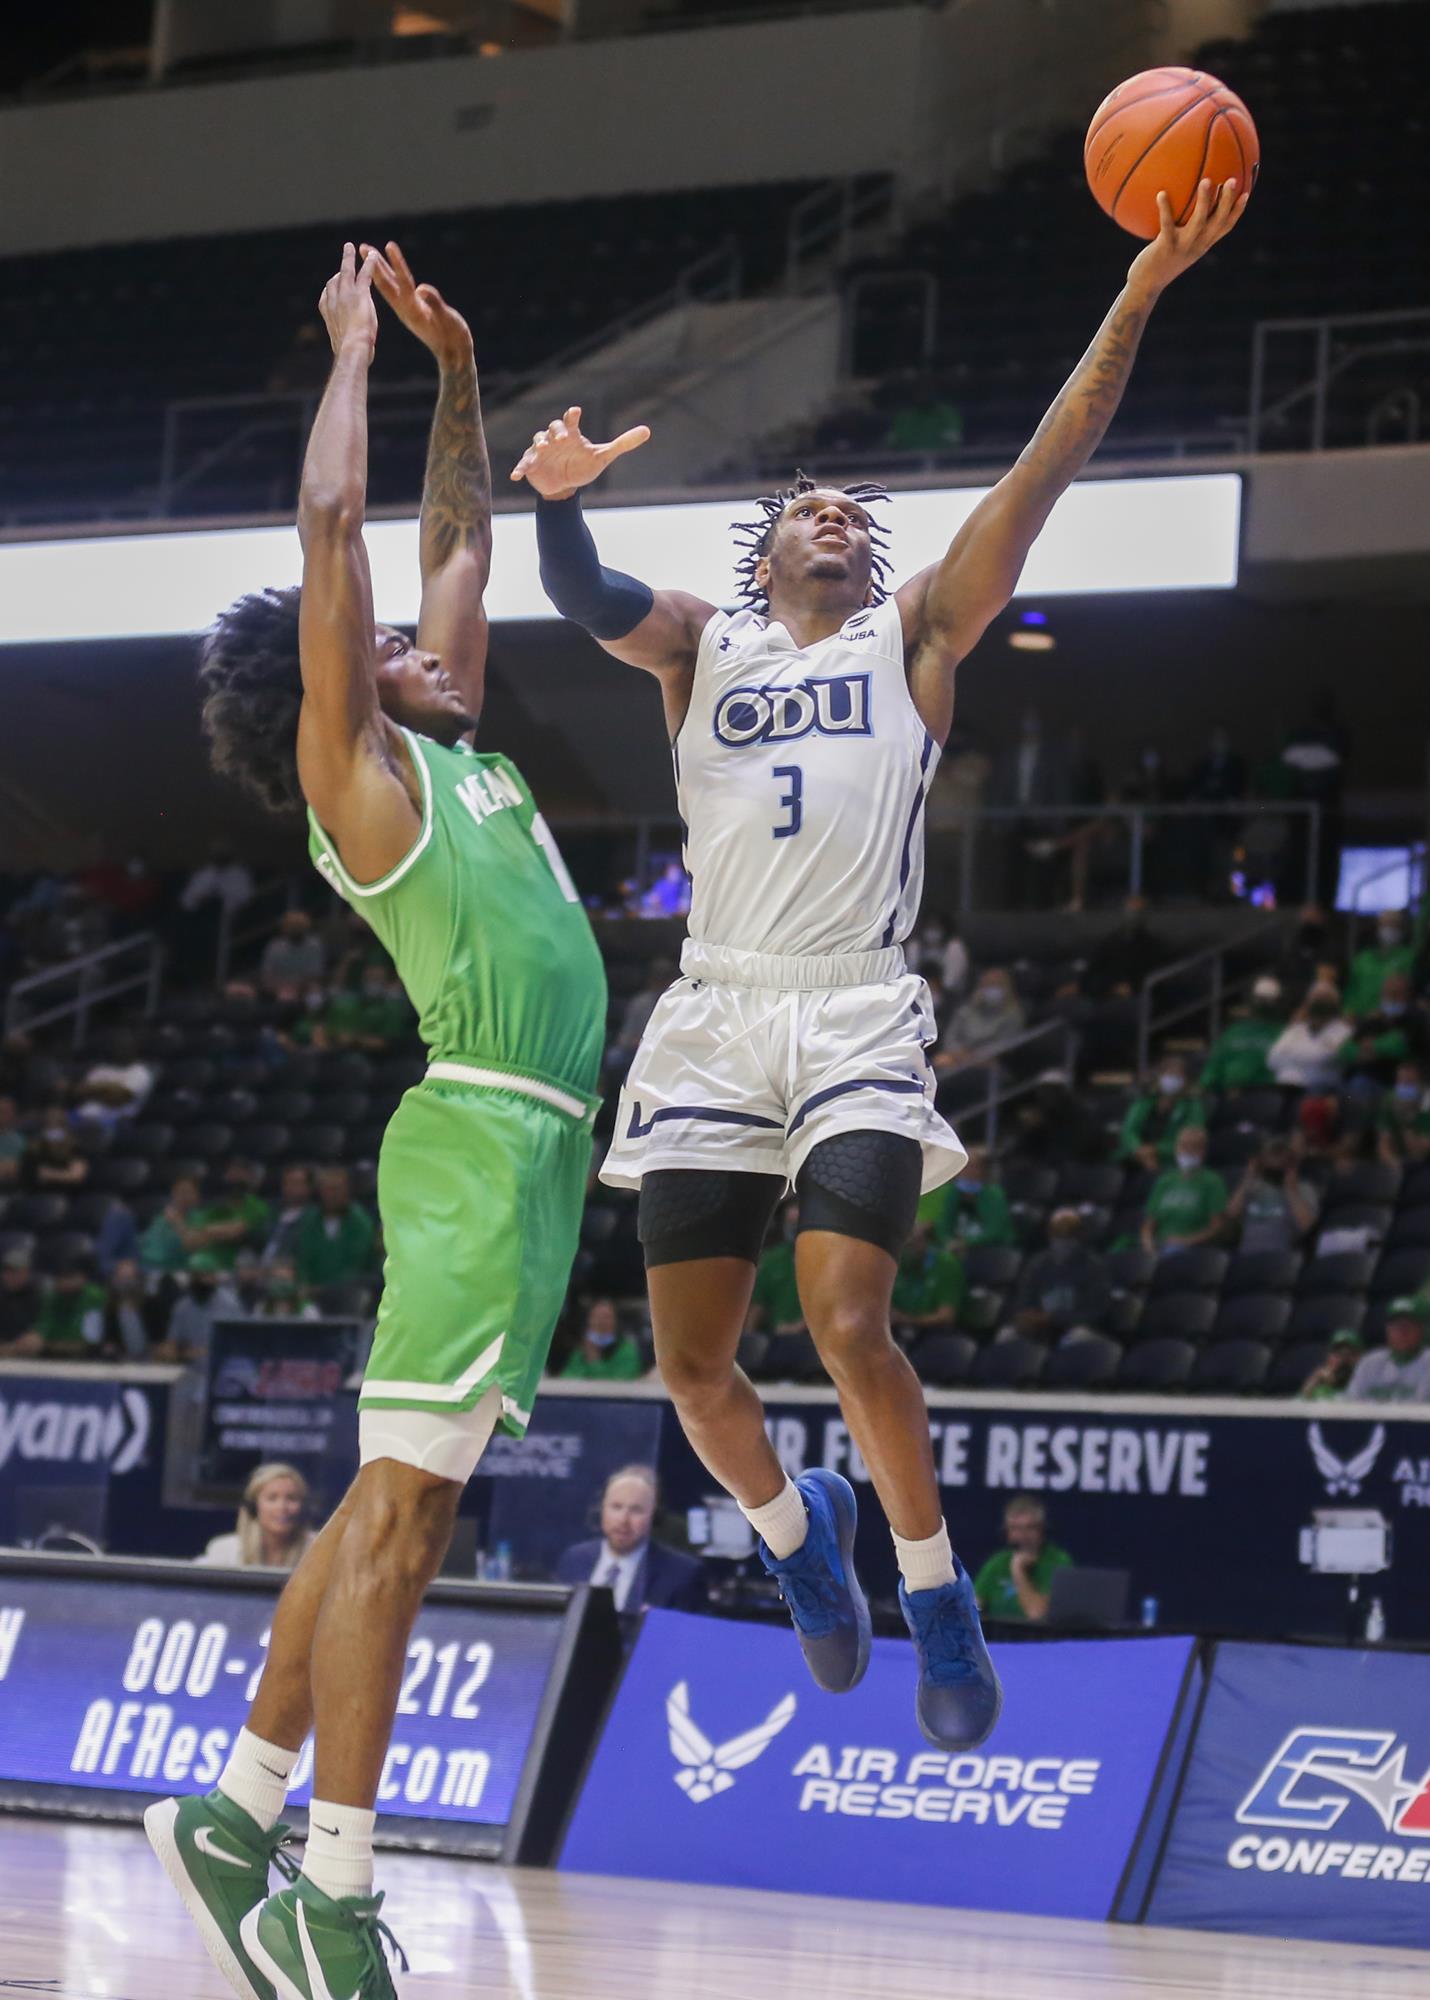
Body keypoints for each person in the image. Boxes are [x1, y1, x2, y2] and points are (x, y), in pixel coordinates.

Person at [515, 169, 1243, 1754]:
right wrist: (558, 499)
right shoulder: (698, 643)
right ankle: (800, 1549)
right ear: (764, 547)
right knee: (691, 1371)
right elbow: (575, 597)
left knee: (848, 1325)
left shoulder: (911, 638)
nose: (836, 523)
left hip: (851, 1004)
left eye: (856, 516)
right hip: (713, 1013)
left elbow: (1040, 477)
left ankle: (935, 1597)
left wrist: (1136, 293)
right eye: (809, 515)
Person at [145, 238, 607, 2000]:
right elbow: (340, 544)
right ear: (331, 705)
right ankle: (329, 1897)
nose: (426, 639)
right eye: (390, 650)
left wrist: (459, 373)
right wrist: (345, 350)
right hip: (482, 1145)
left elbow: (455, 543)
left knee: (367, 1512)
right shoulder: (370, 781)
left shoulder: (467, 742)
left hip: (543, 1153)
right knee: (409, 1531)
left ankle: (237, 1808)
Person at [554, 1464, 706, 1612]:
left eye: (636, 1510)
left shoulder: (681, 1573)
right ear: (601, 1509)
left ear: (655, 1516)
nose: (623, 1520)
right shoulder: (574, 1559)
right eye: (616, 1507)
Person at [1008, 1209, 1110, 1342]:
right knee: (1007, 1335)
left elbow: (1095, 1314)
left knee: (1077, 1337)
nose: (1062, 1242)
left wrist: (1053, 1318)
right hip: (1042, 1330)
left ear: (1079, 1236)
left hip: (1078, 1330)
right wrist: (1026, 1317)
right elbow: (1025, 1301)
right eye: (1057, 1235)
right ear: (1050, 1236)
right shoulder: (1037, 1264)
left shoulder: (1094, 1267)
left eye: (1068, 1236)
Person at [197, 1463, 319, 1571]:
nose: (282, 1507)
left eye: (291, 1498)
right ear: (253, 1508)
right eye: (272, 1498)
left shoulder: (318, 1550)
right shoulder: (224, 1550)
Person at [972, 1495, 1073, 1624]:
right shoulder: (997, 1563)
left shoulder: (1058, 1561)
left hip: (1039, 1639)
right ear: (1007, 1533)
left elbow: (1037, 1614)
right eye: (1015, 1529)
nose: (1023, 1536)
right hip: (998, 1638)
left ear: (1042, 1530)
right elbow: (972, 1609)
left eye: (1030, 1528)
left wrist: (1018, 1570)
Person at [1140, 1126, 1227, 1255]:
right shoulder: (1165, 1181)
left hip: (1191, 1248)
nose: (1188, 1151)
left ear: (1203, 1151)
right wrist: (1148, 1245)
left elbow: (1217, 1227)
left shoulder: (1212, 1181)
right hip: (1160, 1244)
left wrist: (1186, 1241)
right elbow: (1149, 1224)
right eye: (1183, 1146)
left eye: (1194, 1147)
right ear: (1176, 1148)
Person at [1224, 1138, 1320, 1255]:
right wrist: (1248, 1179)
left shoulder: (1304, 1189)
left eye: (1280, 1162)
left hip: (1280, 1258)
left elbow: (1307, 1226)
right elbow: (1230, 1213)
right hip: (1246, 1255)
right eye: (1271, 1160)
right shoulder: (1253, 1186)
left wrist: (1291, 1191)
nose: (1275, 1166)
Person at [1339, 973, 1430, 1095]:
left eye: (1397, 993)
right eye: (1387, 993)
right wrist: (1362, 1052)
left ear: (1408, 996)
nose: (1391, 997)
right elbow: (1346, 1049)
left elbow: (1401, 1044)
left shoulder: (1417, 1018)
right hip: (1372, 1078)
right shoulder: (1373, 1019)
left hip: (1406, 1082)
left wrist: (1372, 1045)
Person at [291, 1166, 378, 1291]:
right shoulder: (309, 1221)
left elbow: (356, 1265)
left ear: (347, 1191)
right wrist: (304, 1286)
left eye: (337, 1189)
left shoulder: (360, 1222)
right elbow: (303, 1260)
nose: (332, 1194)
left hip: (350, 1292)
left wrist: (325, 1289)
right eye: (328, 1189)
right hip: (310, 1292)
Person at [1116, 1054, 1207, 1170]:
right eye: (1169, 1074)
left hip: (1170, 1161)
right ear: (1159, 1077)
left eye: (1178, 1075)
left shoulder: (1193, 1106)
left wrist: (1155, 1149)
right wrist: (1139, 1149)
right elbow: (1128, 1131)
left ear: (1186, 1080)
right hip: (1135, 1157)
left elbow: (1193, 1139)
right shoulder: (1145, 1100)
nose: (1173, 1079)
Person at [920, 1143, 1015, 1252]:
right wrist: (949, 1242)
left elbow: (995, 1231)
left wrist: (966, 1243)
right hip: (956, 1249)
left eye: (974, 1167)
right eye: (965, 1167)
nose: (968, 1172)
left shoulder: (994, 1195)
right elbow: (944, 1226)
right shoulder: (951, 1193)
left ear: (984, 1171)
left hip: (992, 1251)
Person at [1199, 976, 1284, 1094]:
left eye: (1268, 1000)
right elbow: (1215, 1062)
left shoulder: (1281, 1033)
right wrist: (1205, 1084)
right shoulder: (1234, 1031)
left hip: (1265, 1094)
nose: (1263, 1004)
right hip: (1227, 1094)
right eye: (1260, 999)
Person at [934, 967, 1026, 1072]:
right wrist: (958, 1054)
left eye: (997, 985)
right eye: (988, 984)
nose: (992, 988)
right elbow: (951, 1037)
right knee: (938, 1062)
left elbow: (1004, 1047)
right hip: (958, 1056)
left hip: (989, 1063)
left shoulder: (1013, 1015)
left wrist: (972, 1056)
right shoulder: (967, 1009)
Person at [890, 1221, 967, 1339]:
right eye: (903, 1247)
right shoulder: (897, 1264)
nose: (906, 1252)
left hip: (937, 1335)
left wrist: (905, 1319)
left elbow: (946, 1317)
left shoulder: (946, 1265)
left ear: (924, 1241)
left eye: (912, 1244)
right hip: (899, 1331)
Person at [1268, 983, 1352, 1090]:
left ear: (1334, 1004)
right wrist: (1305, 1055)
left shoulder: (1343, 1031)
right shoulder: (1296, 1029)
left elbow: (1323, 1058)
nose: (1318, 1001)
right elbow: (1272, 1059)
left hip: (1318, 1091)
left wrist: (1292, 1055)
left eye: (1323, 998)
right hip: (1282, 1088)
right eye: (1315, 998)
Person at [1346, 1299, 1430, 1404]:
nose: (1402, 1332)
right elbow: (1352, 1401)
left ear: (1422, 1330)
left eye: (1408, 1326)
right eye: (1396, 1326)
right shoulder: (1370, 1362)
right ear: (1387, 1329)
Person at [747, 1199, 808, 1337]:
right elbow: (757, 1307)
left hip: (816, 1342)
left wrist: (799, 1326)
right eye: (790, 1224)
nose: (794, 1214)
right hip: (777, 1341)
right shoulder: (772, 1259)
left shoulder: (832, 1260)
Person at [1344, 908, 1420, 1019]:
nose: (1389, 929)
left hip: (1390, 1018)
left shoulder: (1409, 958)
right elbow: (1351, 989)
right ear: (1378, 928)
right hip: (1356, 1018)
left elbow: (1408, 991)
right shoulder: (1363, 958)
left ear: (1401, 929)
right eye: (1385, 924)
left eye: (1394, 925)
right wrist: (1348, 1010)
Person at [72, 1029, 156, 1124]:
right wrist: (108, 1088)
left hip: (113, 1123)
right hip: (81, 1115)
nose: (120, 1050)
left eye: (125, 1047)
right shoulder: (101, 1068)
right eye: (118, 1046)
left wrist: (94, 1089)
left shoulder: (140, 1072)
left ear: (135, 1049)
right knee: (54, 1116)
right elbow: (79, 1091)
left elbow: (118, 1098)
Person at [560, 1297, 645, 1381]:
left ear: (616, 1321)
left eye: (606, 1317)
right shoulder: (580, 1351)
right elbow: (567, 1378)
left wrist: (594, 1362)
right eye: (596, 1317)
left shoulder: (626, 1350)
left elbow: (621, 1381)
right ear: (588, 1321)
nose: (600, 1322)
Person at [260, 909, 326, 999]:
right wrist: (281, 988)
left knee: (315, 994)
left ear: (306, 927)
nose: (296, 929)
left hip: (305, 987)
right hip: (280, 987)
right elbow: (267, 975)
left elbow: (315, 975)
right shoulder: (274, 947)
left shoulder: (314, 946)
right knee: (285, 997)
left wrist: (298, 987)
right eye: (292, 926)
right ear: (284, 928)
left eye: (299, 926)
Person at [1378, 1062, 1430, 1167]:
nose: (1404, 1087)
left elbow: (1424, 1146)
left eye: (1410, 1083)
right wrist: (1391, 1163)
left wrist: (1408, 1129)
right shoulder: (1390, 1099)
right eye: (1401, 1082)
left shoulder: (1427, 1100)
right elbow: (1383, 1141)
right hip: (1400, 1161)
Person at [262, 1163, 315, 1264]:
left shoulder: (314, 1217)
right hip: (261, 1267)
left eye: (296, 1183)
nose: (290, 1188)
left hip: (289, 1269)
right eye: (287, 1183)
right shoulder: (272, 1212)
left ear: (309, 1187)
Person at [23, 1111, 88, 1191]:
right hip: (37, 1194)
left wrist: (49, 1174)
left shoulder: (75, 1148)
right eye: (49, 1124)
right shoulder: (34, 1149)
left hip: (69, 1196)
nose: (54, 1129)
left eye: (58, 1124)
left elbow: (76, 1176)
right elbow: (34, 1174)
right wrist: (66, 1174)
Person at [1300, 1328, 1364, 1402]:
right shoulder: (1318, 1389)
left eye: (1350, 1354)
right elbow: (1299, 1403)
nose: (1343, 1359)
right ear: (1328, 1357)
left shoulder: (1367, 1386)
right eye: (1338, 1353)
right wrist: (1315, 1379)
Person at [0, 1094, 28, 1188]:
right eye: (2, 1111)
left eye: (8, 1111)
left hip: (16, 1189)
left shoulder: (21, 1140)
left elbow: (22, 1168)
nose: (4, 1115)